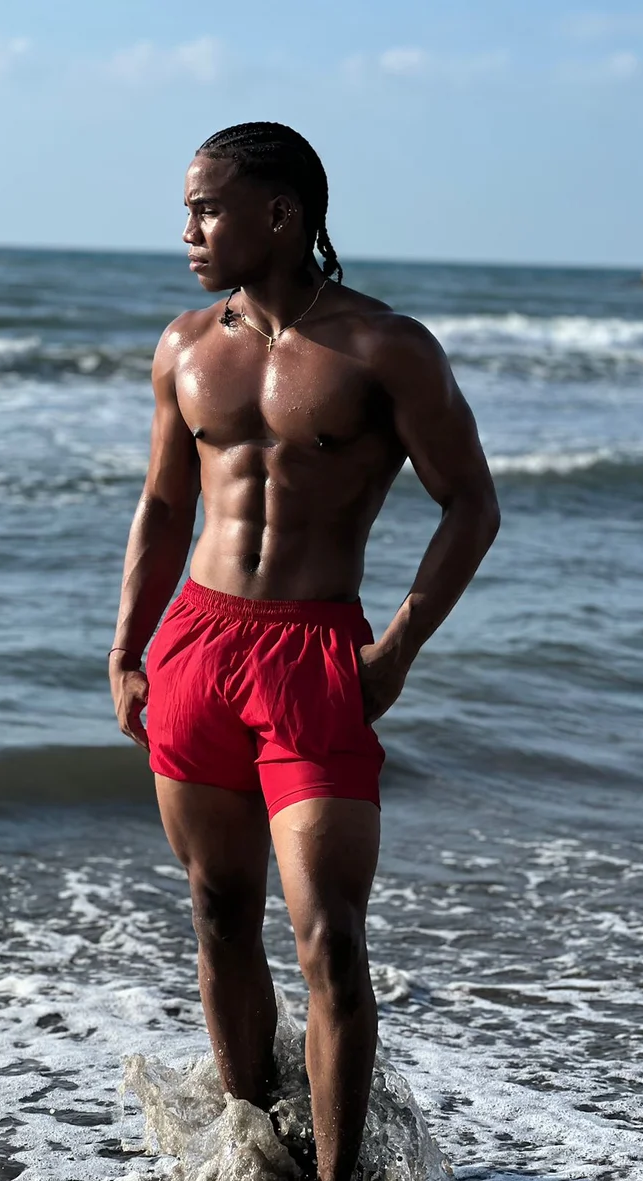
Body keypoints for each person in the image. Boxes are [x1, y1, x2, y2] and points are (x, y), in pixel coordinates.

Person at [110, 121, 500, 1181]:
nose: (188, 230)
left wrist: (397, 648)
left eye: (207, 208)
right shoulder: (185, 346)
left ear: (279, 215)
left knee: (330, 936)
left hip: (313, 653)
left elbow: (471, 503)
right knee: (218, 912)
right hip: (196, 645)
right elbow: (163, 504)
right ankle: (249, 1149)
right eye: (188, 210)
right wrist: (128, 647)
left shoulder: (384, 348)